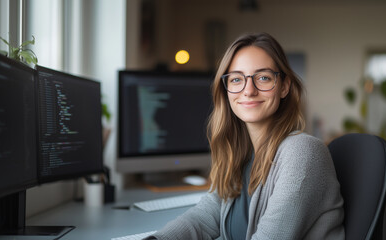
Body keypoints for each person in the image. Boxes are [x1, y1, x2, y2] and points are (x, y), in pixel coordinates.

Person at [147, 32, 344, 240]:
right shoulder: (241, 154)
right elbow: (203, 218)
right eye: (236, 79)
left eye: (264, 78)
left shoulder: (302, 152)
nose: (248, 90)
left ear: (284, 86)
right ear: (226, 89)